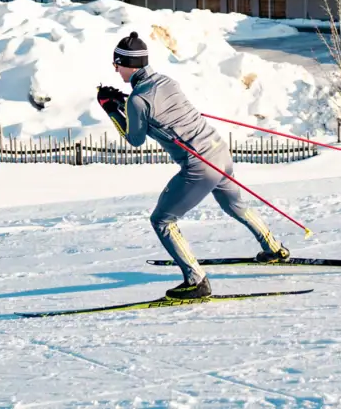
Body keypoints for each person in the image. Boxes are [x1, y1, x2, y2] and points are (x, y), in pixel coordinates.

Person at [96, 31, 290, 300]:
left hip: (199, 166)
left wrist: (111, 109)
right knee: (236, 206)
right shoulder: (166, 81)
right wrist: (123, 104)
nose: (116, 70)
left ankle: (196, 280)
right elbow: (163, 113)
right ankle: (273, 248)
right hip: (219, 151)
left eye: (116, 65)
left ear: (128, 65)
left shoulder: (138, 100)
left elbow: (135, 139)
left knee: (162, 220)